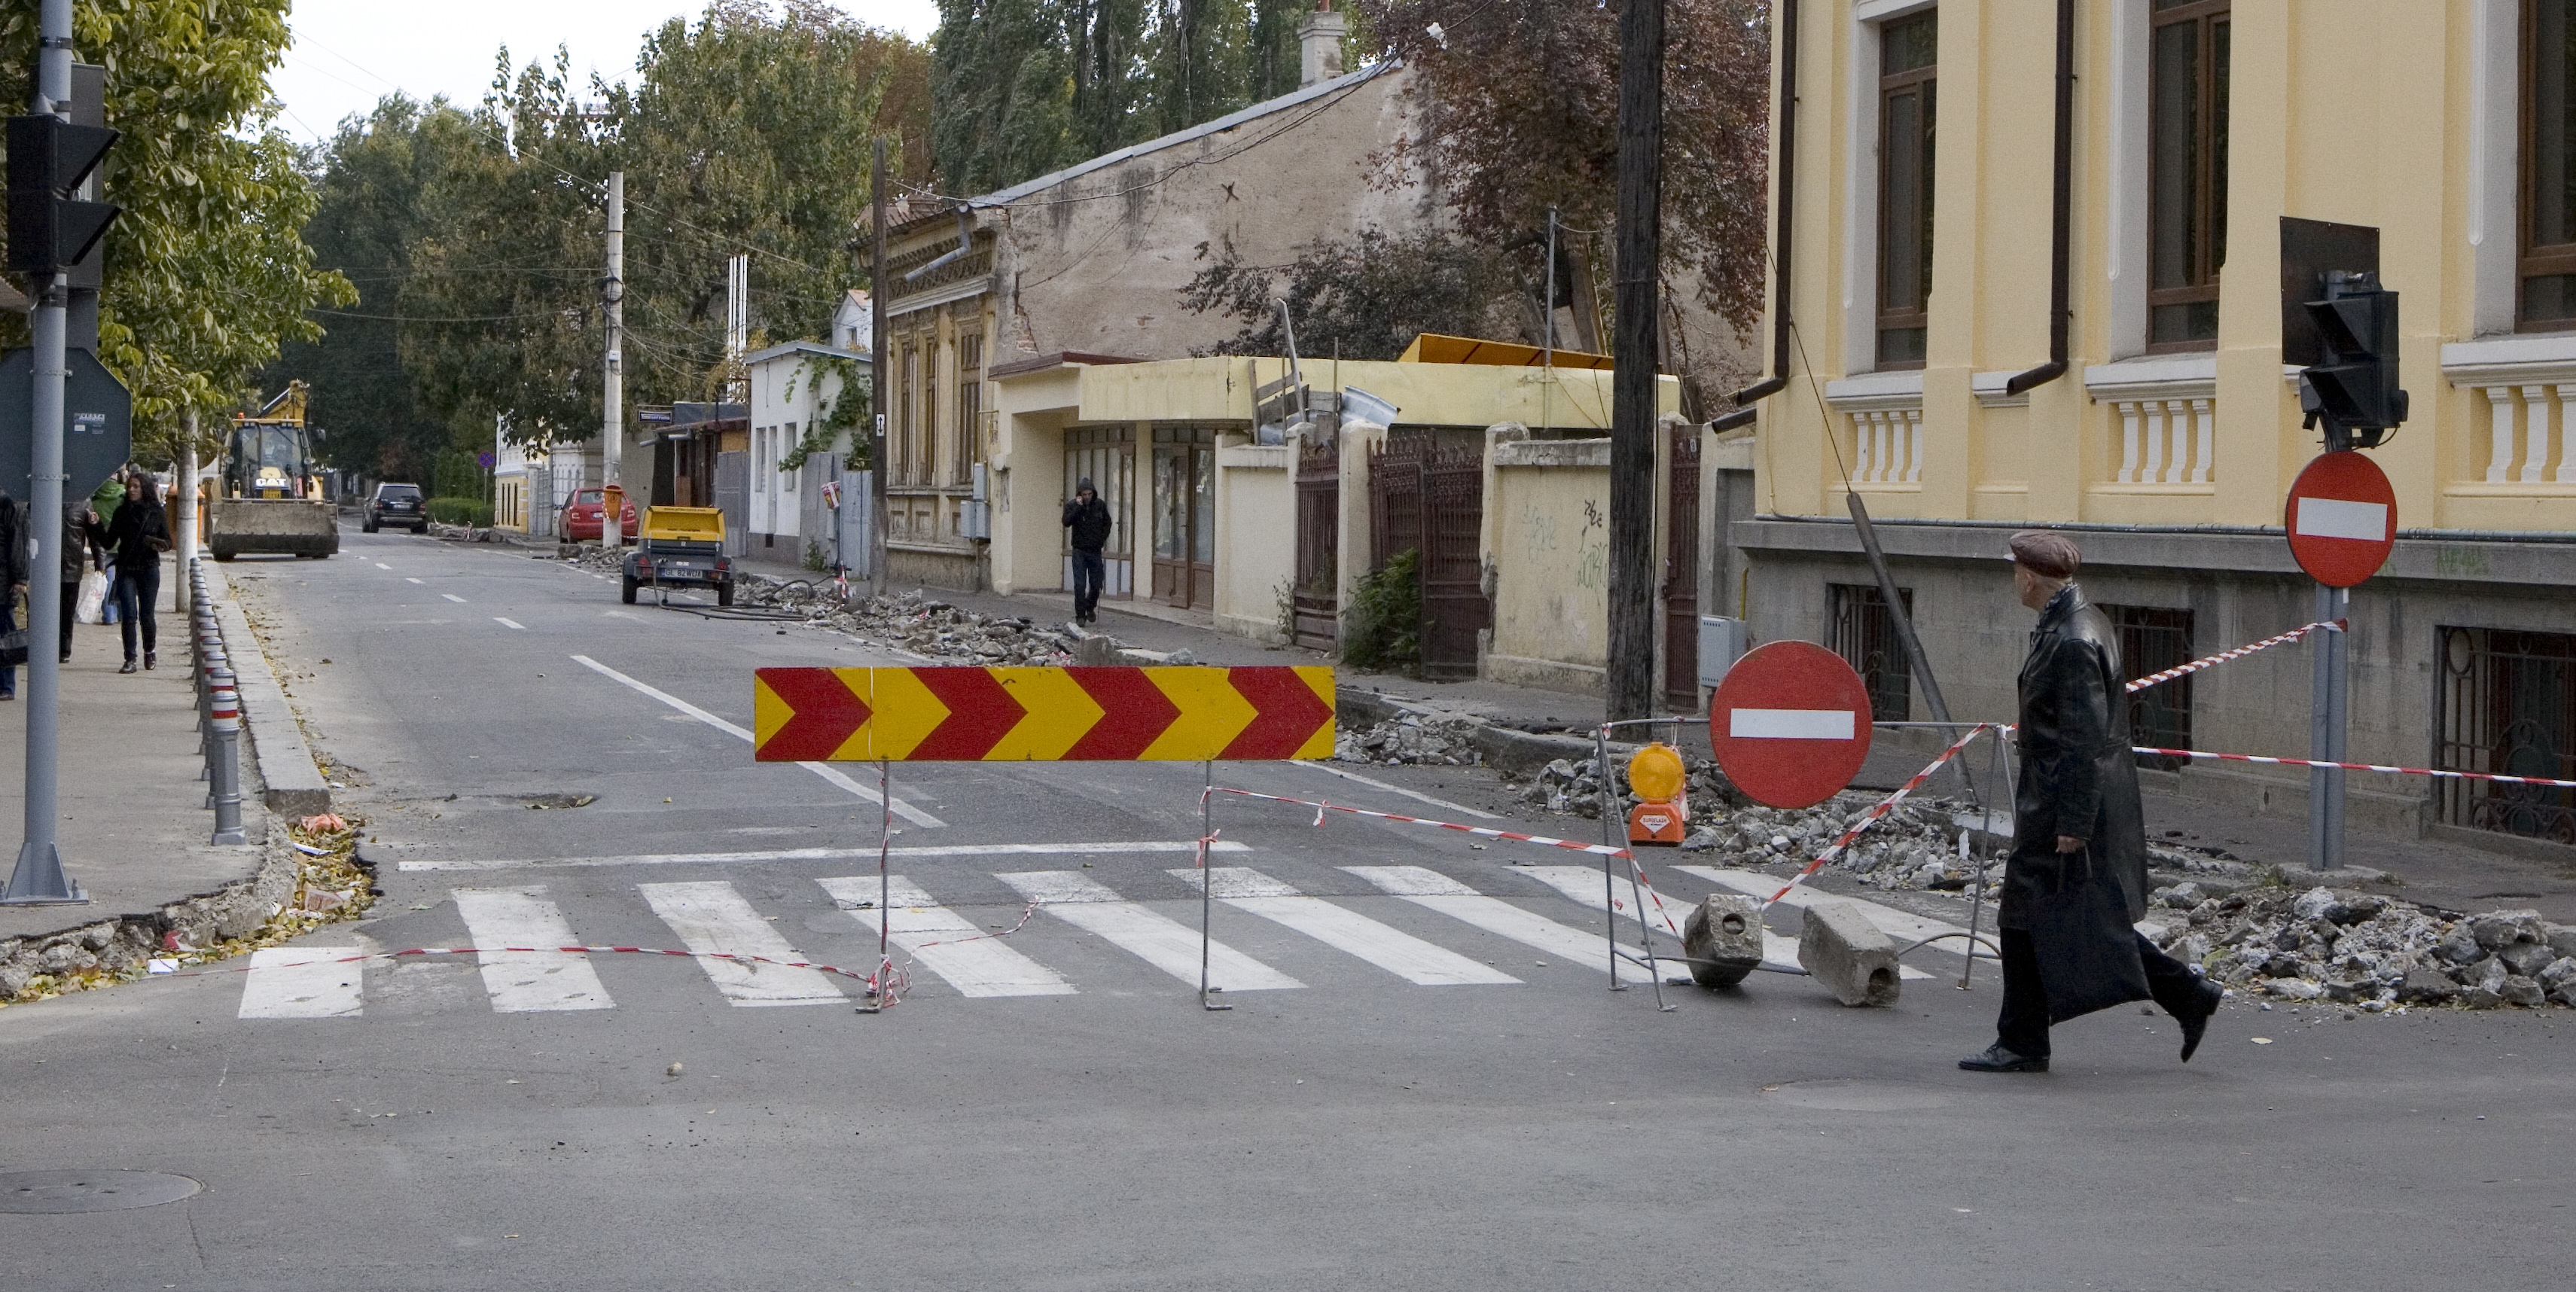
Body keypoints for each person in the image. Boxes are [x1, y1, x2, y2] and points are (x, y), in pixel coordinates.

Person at [1960, 530, 2224, 1074]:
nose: (2013, 579)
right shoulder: (2074, 622)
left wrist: (2074, 823)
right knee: (2044, 916)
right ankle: (2029, 1037)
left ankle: (2027, 1040)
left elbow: (2084, 738)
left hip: (2061, 801)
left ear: (2029, 578)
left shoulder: (2074, 638)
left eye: (2014, 571)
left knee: (2053, 916)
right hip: (2054, 795)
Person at [102, 470, 172, 673]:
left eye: (136, 487)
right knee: (129, 614)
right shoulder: (121, 512)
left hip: (149, 568)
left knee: (147, 615)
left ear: (145, 489)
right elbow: (108, 542)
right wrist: (96, 525)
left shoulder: (156, 512)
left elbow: (168, 541)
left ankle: (149, 651)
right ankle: (130, 659)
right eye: (129, 487)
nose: (132, 490)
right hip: (126, 568)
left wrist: (158, 544)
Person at [1061, 477, 1113, 626]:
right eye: (1084, 494)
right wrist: (1078, 508)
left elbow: (1107, 523)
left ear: (1093, 493)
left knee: (1097, 583)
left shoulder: (1100, 505)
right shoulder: (1072, 505)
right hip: (1079, 551)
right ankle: (1080, 615)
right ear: (1080, 495)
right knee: (1080, 584)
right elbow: (1066, 522)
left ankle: (1090, 606)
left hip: (1095, 550)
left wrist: (1102, 539)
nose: (1087, 497)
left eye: (1089, 494)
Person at [59, 501, 104, 666]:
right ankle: (41, 646)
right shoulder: (42, 496)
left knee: (66, 611)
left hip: (71, 566)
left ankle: (63, 650)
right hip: (44, 568)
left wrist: (101, 565)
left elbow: (94, 537)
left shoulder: (83, 504)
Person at [0, 492, 24, 699]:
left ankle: (7, 685)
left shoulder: (10, 506)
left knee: (6, 635)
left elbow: (18, 544)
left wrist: (19, 579)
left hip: (4, 582)